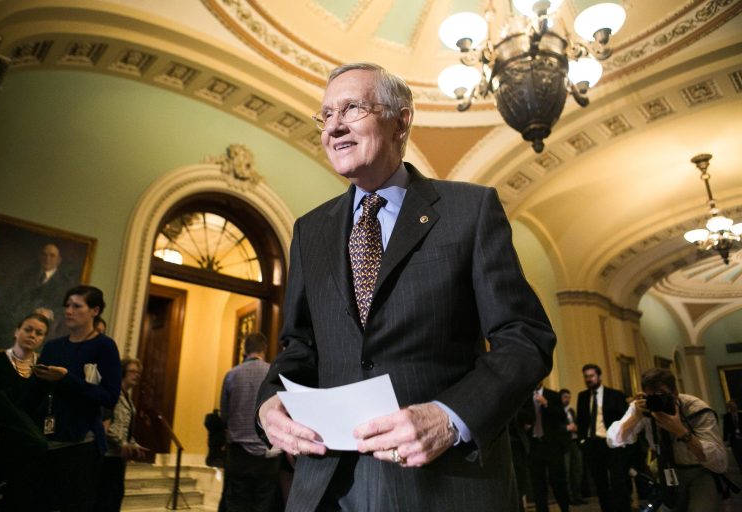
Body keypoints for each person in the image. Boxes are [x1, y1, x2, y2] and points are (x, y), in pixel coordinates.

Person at [255, 62, 556, 511]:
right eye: (326, 115)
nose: (333, 127)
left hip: (443, 483)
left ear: (402, 120)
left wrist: (451, 418)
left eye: (351, 108)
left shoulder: (469, 211)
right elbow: (300, 345)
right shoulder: (309, 231)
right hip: (328, 487)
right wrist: (268, 405)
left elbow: (524, 338)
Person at [26, 284, 122, 511]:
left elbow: (110, 397)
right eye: (67, 305)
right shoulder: (53, 347)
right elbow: (36, 393)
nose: (68, 311)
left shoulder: (104, 347)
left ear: (94, 311)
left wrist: (67, 378)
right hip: (47, 441)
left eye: (77, 306)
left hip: (82, 445)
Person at [607, 368, 728, 511]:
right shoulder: (644, 407)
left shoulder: (696, 409)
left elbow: (719, 462)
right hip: (668, 471)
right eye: (650, 396)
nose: (656, 401)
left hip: (701, 471)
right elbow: (613, 440)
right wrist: (635, 417)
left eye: (661, 395)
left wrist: (681, 432)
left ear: (675, 392)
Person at [0, 312, 51, 507]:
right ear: (16, 332)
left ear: (43, 339)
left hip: (25, 448)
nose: (32, 335)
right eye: (28, 329)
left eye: (39, 333)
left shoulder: (43, 372)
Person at [219, 333, 280, 512]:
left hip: (239, 453)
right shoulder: (273, 372)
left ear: (245, 350)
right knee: (264, 504)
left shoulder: (231, 375)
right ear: (264, 349)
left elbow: (224, 415)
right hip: (267, 453)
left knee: (237, 503)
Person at [575, 363, 629, 512]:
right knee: (600, 482)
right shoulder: (582, 396)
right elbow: (581, 421)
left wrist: (621, 439)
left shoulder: (614, 395)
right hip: (592, 443)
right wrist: (582, 441)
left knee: (618, 481)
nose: (589, 379)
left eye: (591, 376)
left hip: (611, 443)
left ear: (599, 376)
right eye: (586, 377)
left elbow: (624, 418)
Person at [96, 357, 146, 512]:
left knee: (116, 495)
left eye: (138, 372)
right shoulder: (113, 392)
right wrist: (121, 442)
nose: (136, 375)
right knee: (105, 497)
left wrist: (133, 444)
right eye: (132, 371)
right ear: (123, 371)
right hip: (107, 454)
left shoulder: (128, 397)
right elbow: (105, 423)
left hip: (119, 456)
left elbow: (125, 425)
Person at [525, 382, 570, 512]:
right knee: (538, 483)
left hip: (552, 445)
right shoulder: (525, 396)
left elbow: (561, 416)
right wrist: (525, 422)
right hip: (534, 444)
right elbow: (520, 414)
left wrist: (546, 403)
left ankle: (565, 508)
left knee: (557, 480)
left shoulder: (554, 395)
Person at [560, 388, 586, 505]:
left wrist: (577, 427)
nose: (568, 400)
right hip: (565, 444)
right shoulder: (557, 411)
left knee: (577, 470)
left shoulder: (571, 411)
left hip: (575, 442)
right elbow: (554, 428)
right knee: (566, 472)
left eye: (569, 397)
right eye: (565, 397)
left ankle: (578, 496)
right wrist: (566, 428)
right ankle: (569, 498)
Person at [723, 399, 742, 471]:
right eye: (730, 406)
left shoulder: (741, 415)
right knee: (738, 457)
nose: (732, 407)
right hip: (734, 440)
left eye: (733, 405)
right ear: (728, 407)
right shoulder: (726, 417)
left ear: (736, 406)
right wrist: (725, 440)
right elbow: (725, 429)